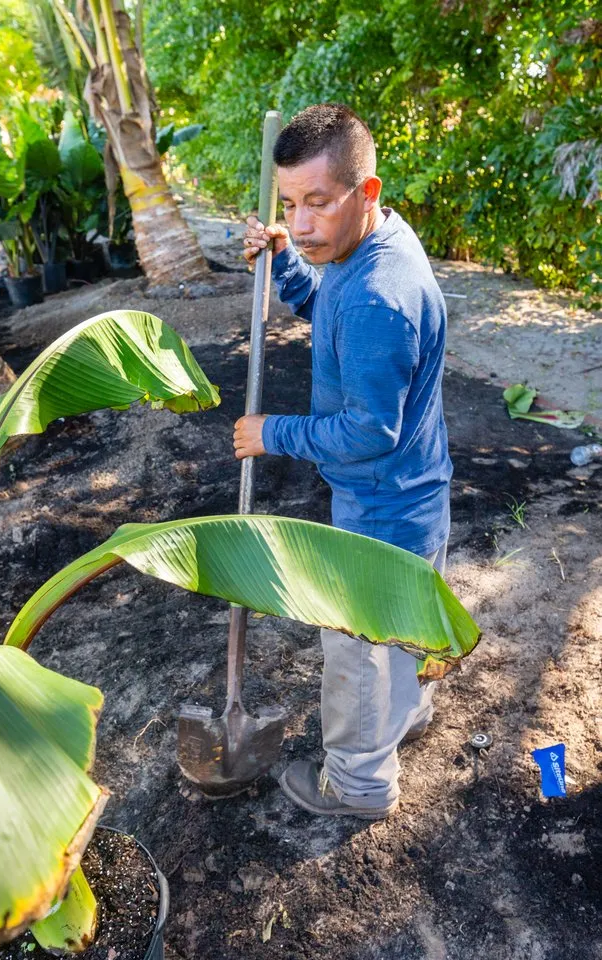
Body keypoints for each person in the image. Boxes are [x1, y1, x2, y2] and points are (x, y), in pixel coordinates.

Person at [234, 104, 452, 819]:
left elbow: (367, 433)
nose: (301, 224)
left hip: (382, 504)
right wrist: (287, 264)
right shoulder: (372, 244)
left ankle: (359, 784)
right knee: (403, 628)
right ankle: (407, 717)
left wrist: (273, 433)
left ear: (367, 191)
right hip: (414, 492)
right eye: (288, 205)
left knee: (356, 654)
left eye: (318, 203)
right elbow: (330, 303)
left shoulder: (377, 301)